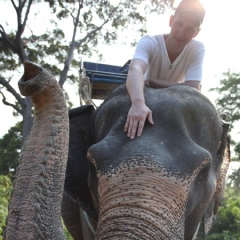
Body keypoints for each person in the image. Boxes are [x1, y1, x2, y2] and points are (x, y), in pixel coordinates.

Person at [124, 0, 205, 139]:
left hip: (174, 101)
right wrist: (137, 104)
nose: (181, 32)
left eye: (189, 29)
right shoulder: (149, 42)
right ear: (171, 20)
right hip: (144, 96)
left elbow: (193, 86)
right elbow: (136, 69)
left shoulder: (197, 49)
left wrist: (154, 82)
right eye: (179, 24)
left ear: (196, 33)